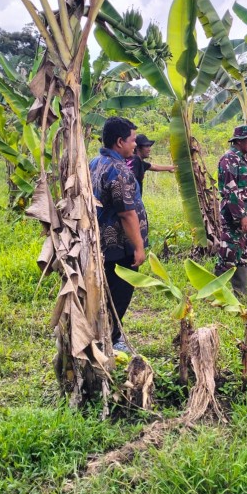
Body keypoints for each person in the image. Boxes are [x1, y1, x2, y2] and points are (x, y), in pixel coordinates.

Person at [89, 117, 148, 353]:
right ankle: (111, 341)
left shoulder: (96, 162)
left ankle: (104, 335)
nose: (135, 145)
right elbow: (127, 214)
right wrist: (139, 247)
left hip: (100, 241)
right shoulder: (119, 170)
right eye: (133, 140)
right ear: (120, 141)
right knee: (119, 293)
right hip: (120, 245)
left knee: (107, 291)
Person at [215, 124, 247, 297]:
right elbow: (230, 191)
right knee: (228, 255)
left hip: (246, 219)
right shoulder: (229, 159)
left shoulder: (241, 159)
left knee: (243, 254)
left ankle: (241, 294)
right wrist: (242, 216)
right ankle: (217, 294)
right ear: (239, 141)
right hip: (233, 218)